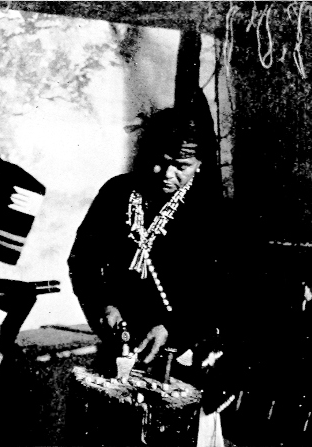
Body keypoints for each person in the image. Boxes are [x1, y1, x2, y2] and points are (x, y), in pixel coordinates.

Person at [68, 90, 225, 378]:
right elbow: (82, 261)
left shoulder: (211, 212)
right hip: (120, 343)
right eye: (160, 160)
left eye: (181, 166)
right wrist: (103, 305)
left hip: (183, 352)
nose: (166, 173)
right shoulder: (117, 193)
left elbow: (222, 291)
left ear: (199, 164)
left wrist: (173, 328)